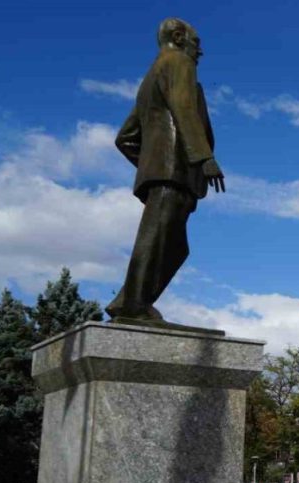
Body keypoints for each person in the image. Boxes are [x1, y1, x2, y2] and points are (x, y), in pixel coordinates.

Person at [106, 17, 226, 324]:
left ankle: (129, 300)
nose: (200, 51)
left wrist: (151, 163)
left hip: (166, 172)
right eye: (197, 43)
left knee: (172, 244)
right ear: (179, 37)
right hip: (174, 174)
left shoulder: (152, 76)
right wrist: (203, 158)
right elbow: (184, 109)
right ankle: (133, 305)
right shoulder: (178, 62)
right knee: (161, 239)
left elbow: (125, 138)